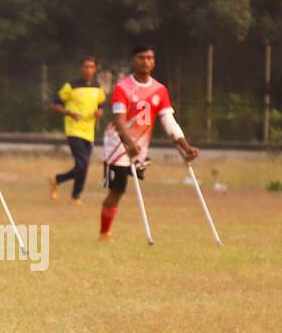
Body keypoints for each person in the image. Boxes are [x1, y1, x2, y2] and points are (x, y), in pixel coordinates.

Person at [99, 44, 198, 240]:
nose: (146, 62)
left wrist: (185, 146)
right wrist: (129, 143)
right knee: (117, 188)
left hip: (141, 144)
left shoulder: (159, 90)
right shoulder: (123, 88)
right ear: (133, 61)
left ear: (154, 62)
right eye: (141, 58)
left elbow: (168, 121)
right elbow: (119, 120)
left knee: (128, 184)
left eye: (150, 58)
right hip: (118, 143)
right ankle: (105, 232)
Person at [49, 55, 106, 204]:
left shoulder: (97, 87)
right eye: (86, 67)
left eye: (91, 67)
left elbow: (101, 105)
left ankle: (58, 180)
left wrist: (99, 112)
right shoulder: (71, 86)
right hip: (74, 130)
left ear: (95, 69)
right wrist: (69, 113)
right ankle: (76, 196)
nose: (88, 70)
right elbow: (54, 104)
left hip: (89, 131)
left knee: (83, 165)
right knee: (82, 164)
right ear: (81, 69)